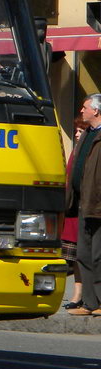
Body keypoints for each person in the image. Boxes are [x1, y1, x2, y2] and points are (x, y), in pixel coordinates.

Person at [66, 94, 101, 316]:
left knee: (98, 254)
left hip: (97, 203)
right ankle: (90, 303)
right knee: (83, 254)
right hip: (82, 202)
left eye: (85, 107)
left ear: (96, 111)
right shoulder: (88, 134)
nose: (81, 110)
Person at [62, 117, 88, 309]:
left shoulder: (90, 150)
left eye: (81, 131)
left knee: (89, 255)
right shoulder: (75, 152)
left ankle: (87, 294)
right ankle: (77, 293)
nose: (77, 134)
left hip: (87, 209)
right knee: (76, 256)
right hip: (73, 209)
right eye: (77, 131)